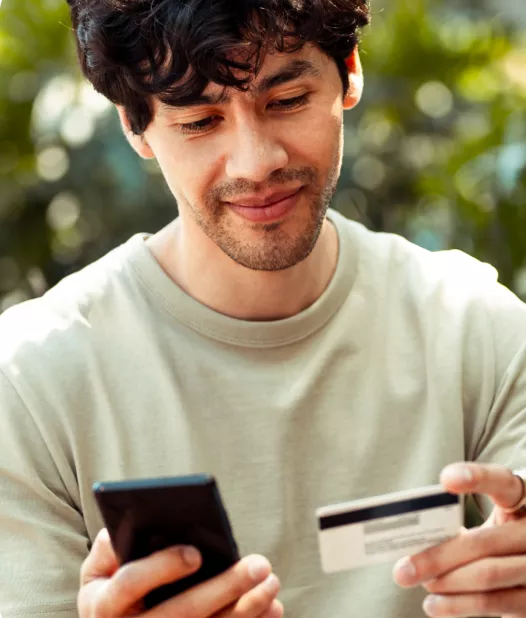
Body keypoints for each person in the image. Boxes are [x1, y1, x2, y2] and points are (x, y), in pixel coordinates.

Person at [1, 0, 526, 616]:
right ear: (134, 125)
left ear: (349, 71)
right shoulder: (29, 381)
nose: (257, 164)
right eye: (199, 121)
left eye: (287, 101)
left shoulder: (475, 328)